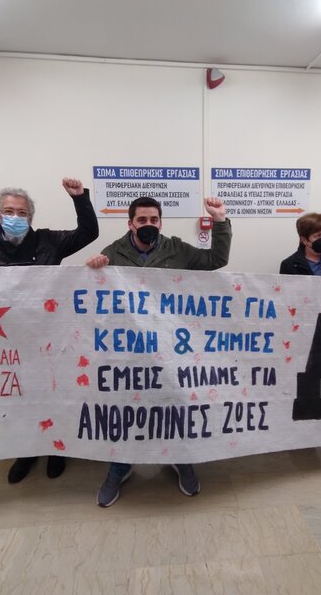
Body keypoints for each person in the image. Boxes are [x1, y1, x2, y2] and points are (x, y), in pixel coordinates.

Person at [85, 195, 231, 507]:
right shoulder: (114, 252)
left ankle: (180, 458)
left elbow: (216, 260)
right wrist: (94, 270)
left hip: (171, 344)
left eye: (153, 220)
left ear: (161, 222)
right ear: (130, 223)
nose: (148, 224)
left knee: (174, 403)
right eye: (142, 220)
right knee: (126, 409)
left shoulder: (176, 249)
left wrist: (219, 220)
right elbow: (98, 295)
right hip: (130, 347)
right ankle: (120, 466)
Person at [0, 180, 99, 483]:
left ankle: (56, 450)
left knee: (54, 392)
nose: (15, 217)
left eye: (22, 212)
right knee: (19, 399)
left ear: (31, 217)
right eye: (9, 211)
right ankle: (25, 452)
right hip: (8, 340)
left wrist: (79, 198)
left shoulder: (48, 242)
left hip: (49, 336)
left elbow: (88, 232)